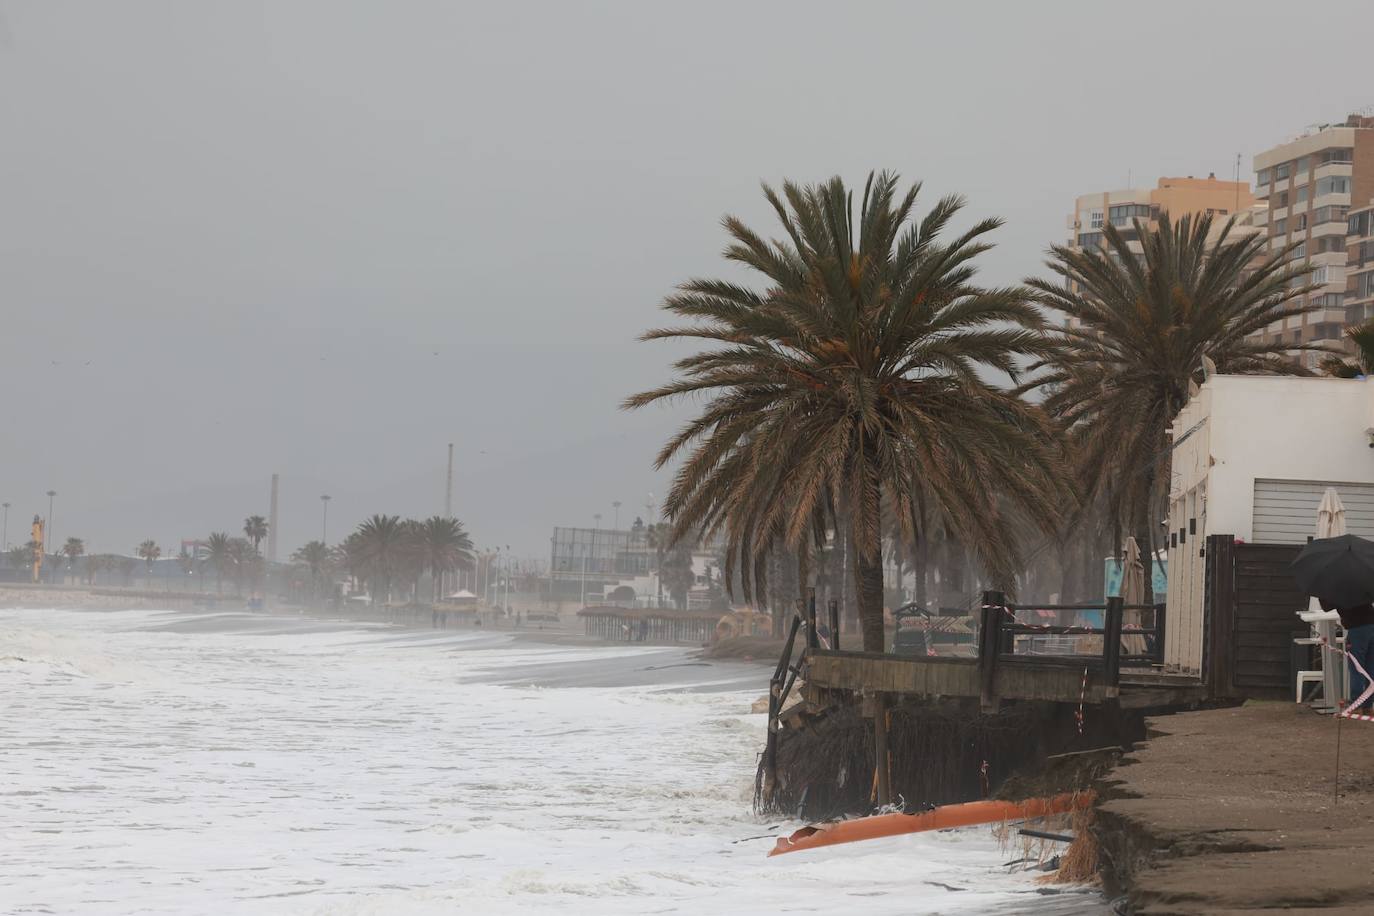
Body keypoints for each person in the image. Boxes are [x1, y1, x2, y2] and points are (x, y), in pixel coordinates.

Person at [1322, 599, 1374, 710]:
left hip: (1357, 630)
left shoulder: (1340, 592)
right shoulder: (1361, 586)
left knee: (1357, 668)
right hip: (1372, 625)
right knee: (1370, 669)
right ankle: (1368, 706)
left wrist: (1319, 594)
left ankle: (1356, 704)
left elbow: (1326, 607)